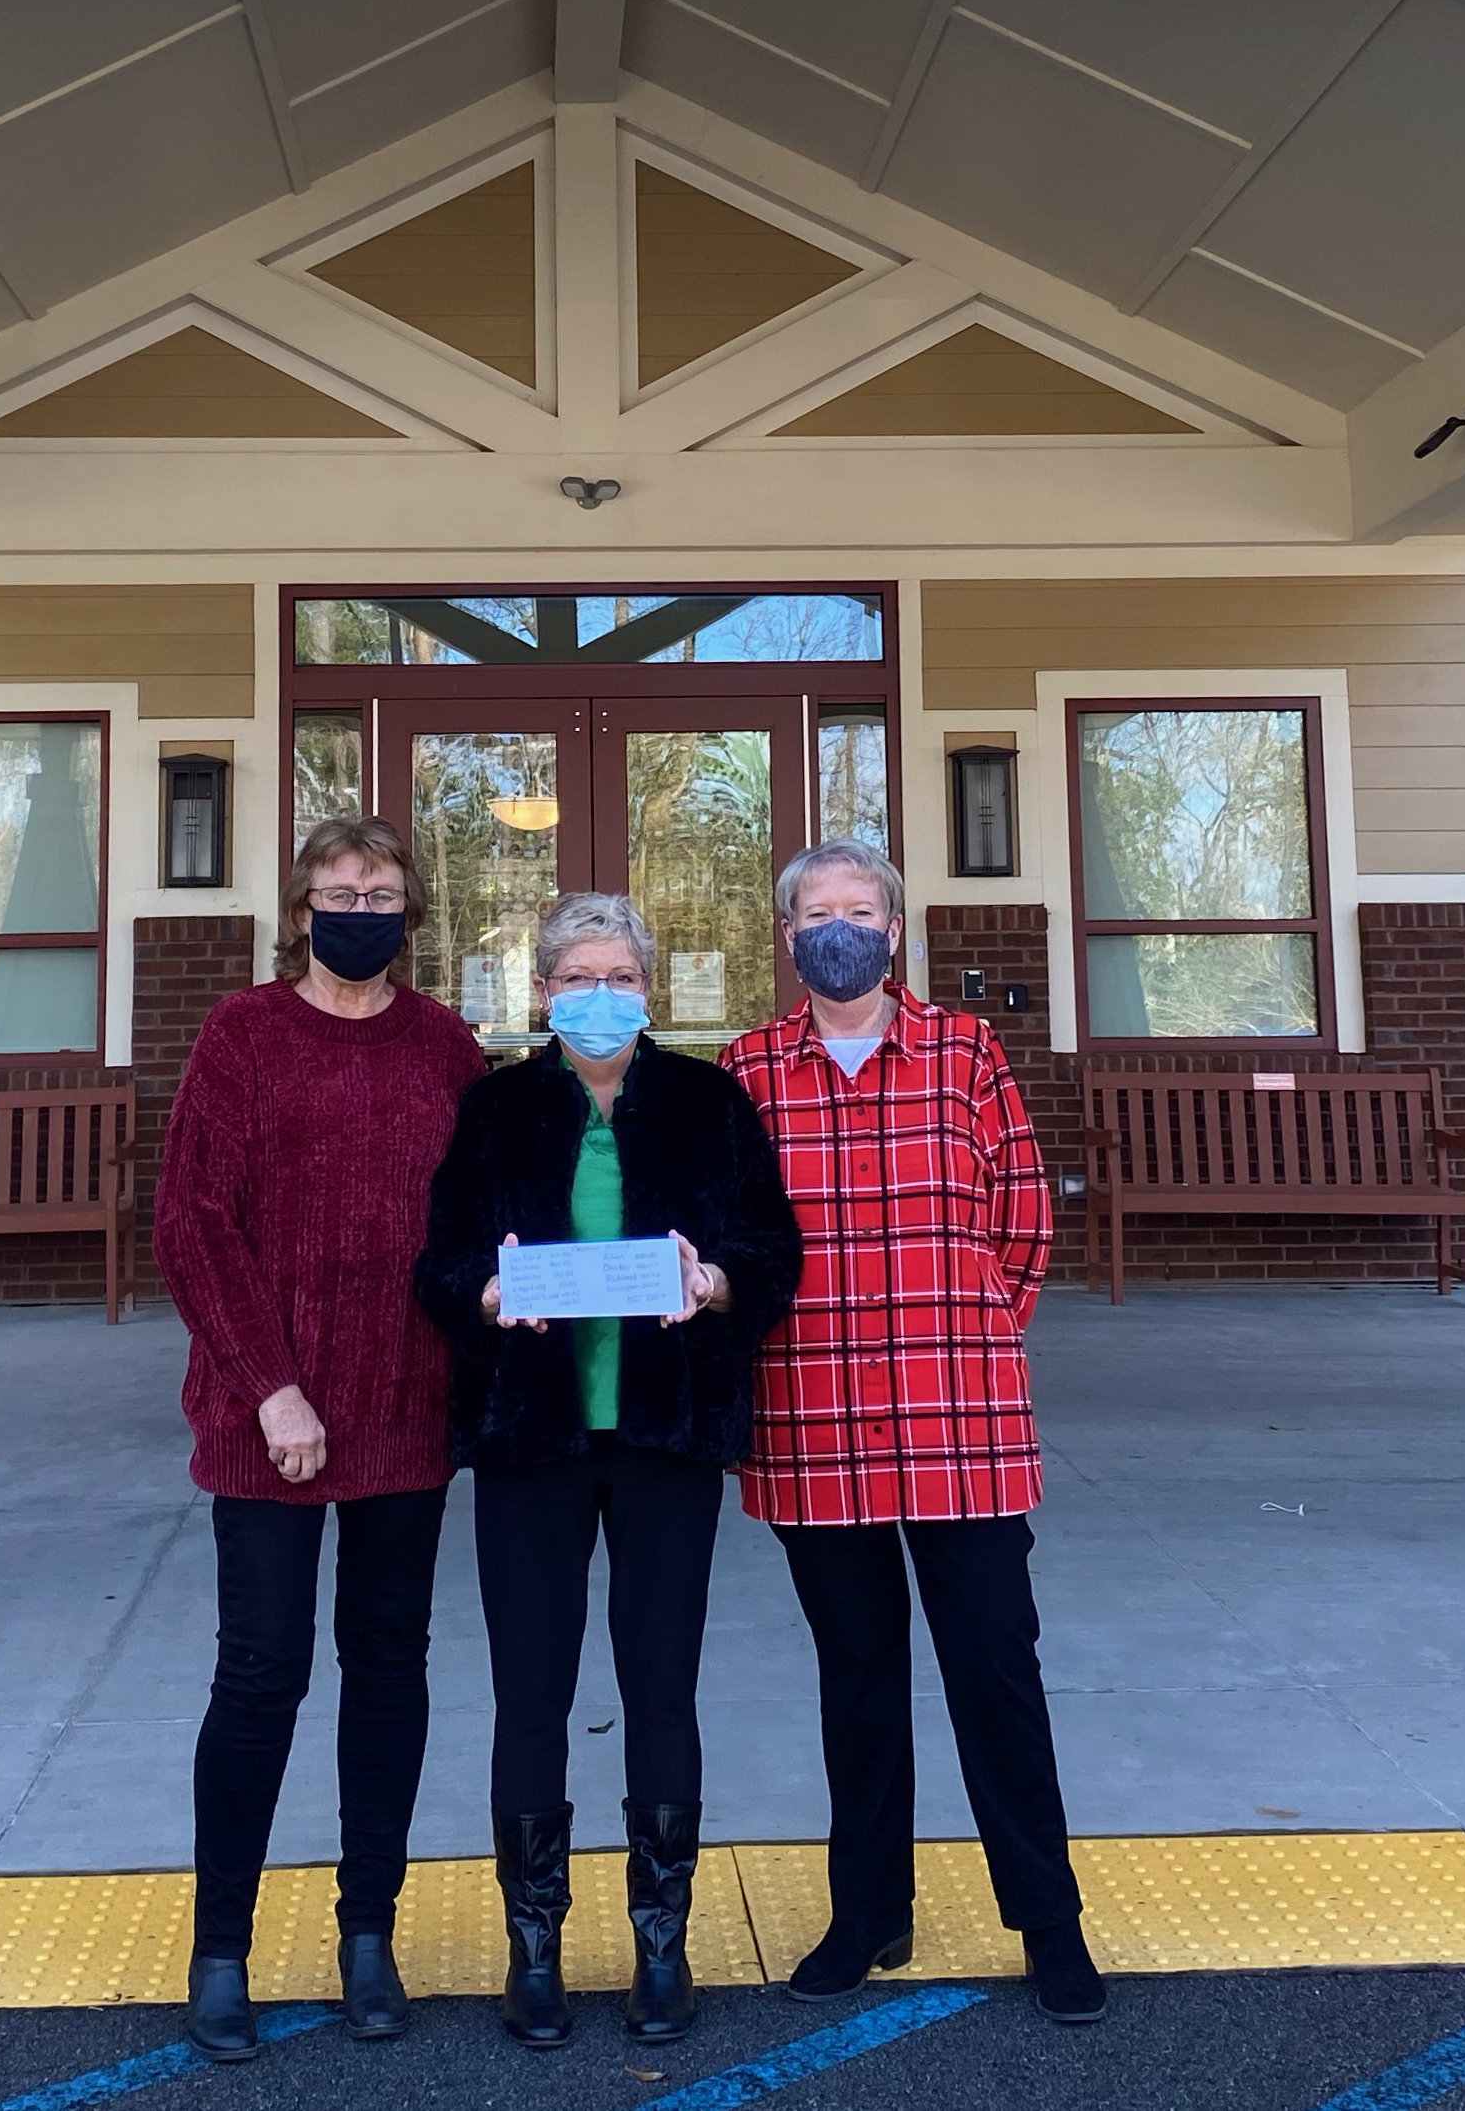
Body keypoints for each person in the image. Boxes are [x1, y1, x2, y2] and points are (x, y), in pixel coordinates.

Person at [722, 839, 1105, 2027]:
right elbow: (729, 1240)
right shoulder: (745, 1072)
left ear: (895, 929)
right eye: (816, 912)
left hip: (960, 1421)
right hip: (815, 1418)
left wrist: (970, 1327)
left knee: (997, 1673)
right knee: (860, 1682)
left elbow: (1025, 1219)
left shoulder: (965, 1051)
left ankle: (1048, 1921)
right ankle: (866, 1911)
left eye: (861, 909)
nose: (840, 928)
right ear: (789, 939)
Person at [416, 890, 802, 2049]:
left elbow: (771, 1248)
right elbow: (436, 1264)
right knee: (529, 1695)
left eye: (621, 975)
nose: (601, 994)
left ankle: (659, 1941)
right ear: (544, 992)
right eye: (578, 973)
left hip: (664, 1438)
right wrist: (483, 1293)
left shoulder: (706, 1101)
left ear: (649, 988)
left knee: (660, 1685)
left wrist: (716, 1282)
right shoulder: (493, 1109)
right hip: (530, 1436)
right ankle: (533, 1946)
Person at [151, 815, 489, 2062]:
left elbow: (485, 1212)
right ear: (300, 910)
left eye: (384, 890)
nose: (362, 907)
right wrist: (271, 1389)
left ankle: (368, 1932)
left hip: (407, 1406)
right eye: (340, 890)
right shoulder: (242, 1035)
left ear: (411, 910)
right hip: (270, 1424)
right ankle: (222, 1945)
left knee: (389, 1669)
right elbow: (193, 1223)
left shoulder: (444, 1044)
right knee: (262, 1673)